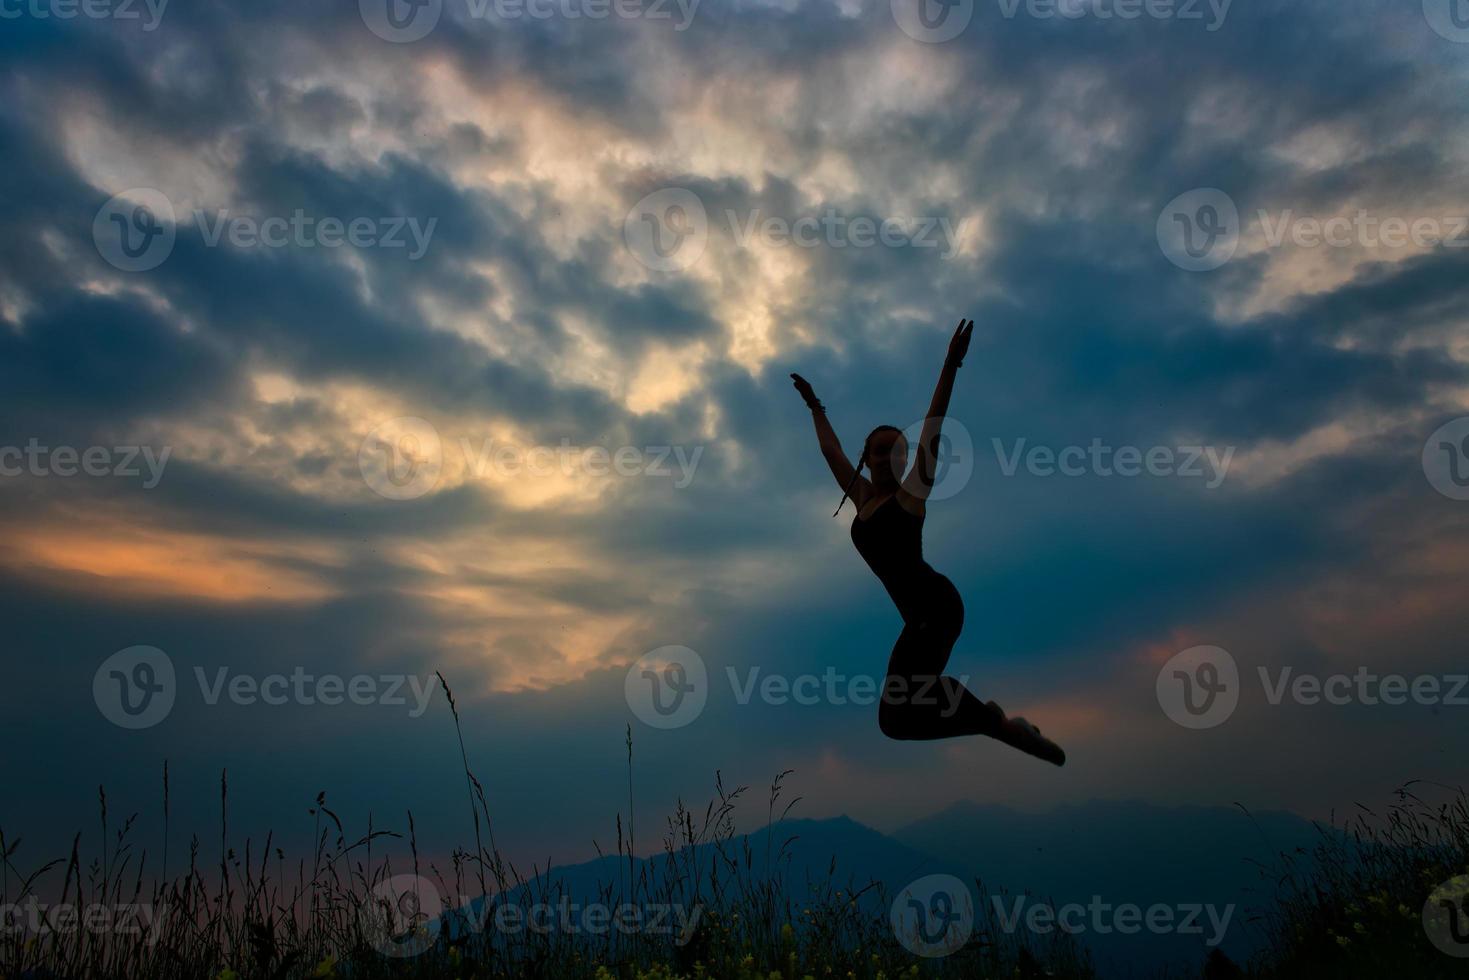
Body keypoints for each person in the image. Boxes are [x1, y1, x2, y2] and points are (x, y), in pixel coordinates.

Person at [791, 319, 1065, 765]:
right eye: (879, 450)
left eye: (896, 451)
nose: (888, 457)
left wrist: (951, 363)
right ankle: (993, 721)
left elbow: (935, 424)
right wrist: (815, 405)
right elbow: (830, 452)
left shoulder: (911, 495)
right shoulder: (860, 497)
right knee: (893, 721)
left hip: (937, 607)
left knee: (909, 695)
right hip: (917, 617)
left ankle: (998, 725)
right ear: (867, 456)